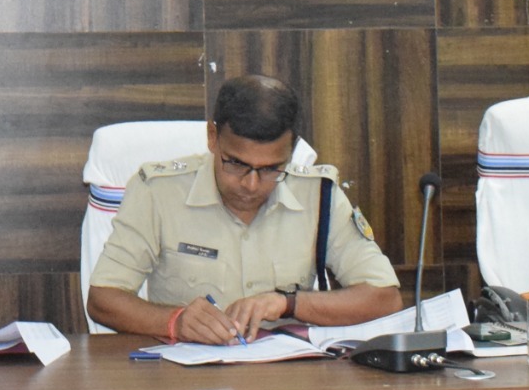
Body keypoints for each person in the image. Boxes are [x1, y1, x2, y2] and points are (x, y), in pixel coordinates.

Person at [85, 75, 403, 343]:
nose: (251, 185)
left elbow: (385, 298)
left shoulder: (319, 195)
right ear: (213, 138)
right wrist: (175, 322)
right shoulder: (157, 192)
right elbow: (103, 299)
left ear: (291, 152)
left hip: (290, 379)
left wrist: (287, 304)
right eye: (236, 164)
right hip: (187, 379)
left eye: (270, 169)